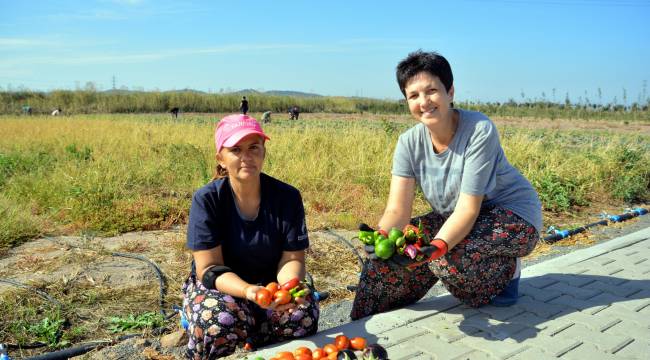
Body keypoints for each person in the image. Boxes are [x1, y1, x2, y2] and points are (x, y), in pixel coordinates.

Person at [350, 50, 542, 320]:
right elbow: (397, 211)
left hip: (512, 216)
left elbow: (468, 209)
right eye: (413, 95)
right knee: (384, 262)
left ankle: (506, 271)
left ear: (450, 92)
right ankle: (358, 329)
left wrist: (438, 246)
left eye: (432, 91)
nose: (424, 102)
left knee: (444, 258)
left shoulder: (479, 129)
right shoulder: (408, 143)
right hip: (458, 218)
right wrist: (381, 237)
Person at [183, 114, 319, 359]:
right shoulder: (207, 200)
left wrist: (284, 290)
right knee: (216, 322)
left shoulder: (287, 197)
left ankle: (257, 340)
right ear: (221, 159)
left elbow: (292, 258)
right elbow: (209, 268)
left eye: (254, 147)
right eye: (236, 149)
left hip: (269, 285)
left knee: (301, 315)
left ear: (263, 152)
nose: (246, 157)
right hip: (223, 288)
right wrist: (249, 292)